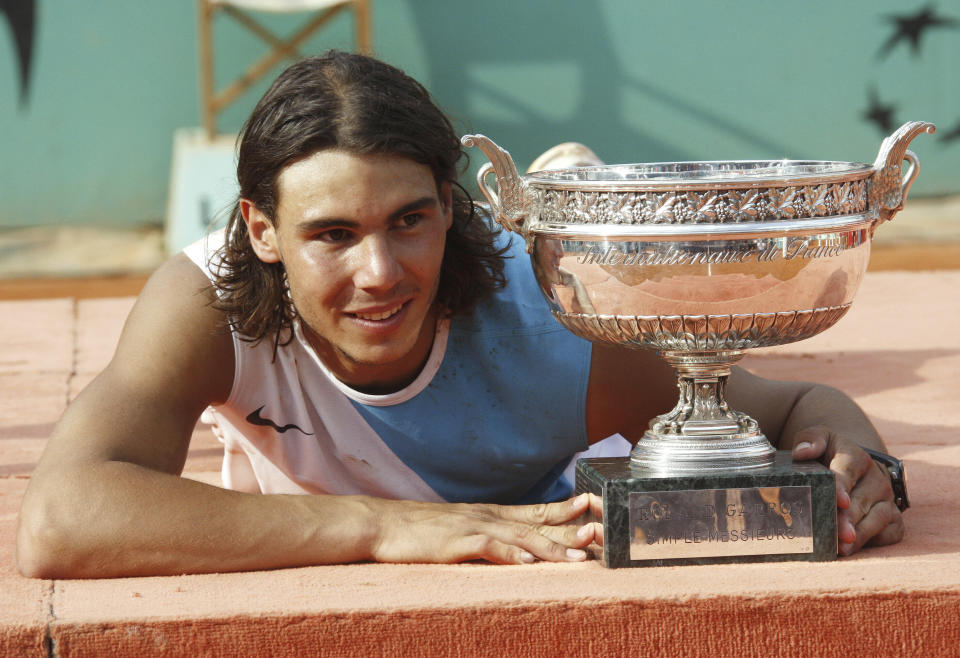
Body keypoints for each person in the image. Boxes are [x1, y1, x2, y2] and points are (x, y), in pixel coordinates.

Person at [16, 51, 904, 578]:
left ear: (451, 206)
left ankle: (569, 183)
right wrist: (379, 522)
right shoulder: (212, 300)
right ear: (262, 230)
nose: (380, 274)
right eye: (332, 233)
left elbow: (787, 410)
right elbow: (62, 517)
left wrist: (862, 464)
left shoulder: (554, 319)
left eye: (411, 220)